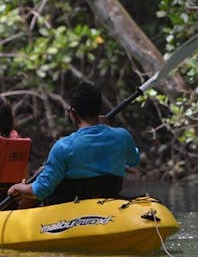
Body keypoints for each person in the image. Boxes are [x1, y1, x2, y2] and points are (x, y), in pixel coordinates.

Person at [8, 81, 140, 206]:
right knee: (44, 171)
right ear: (98, 109)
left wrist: (18, 187)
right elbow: (134, 160)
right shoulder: (122, 136)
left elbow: (41, 190)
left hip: (73, 208)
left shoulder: (62, 147)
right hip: (109, 200)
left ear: (72, 113)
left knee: (43, 177)